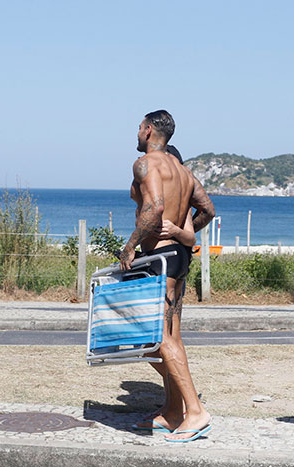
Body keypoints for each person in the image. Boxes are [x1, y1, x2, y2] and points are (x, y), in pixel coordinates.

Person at [119, 110, 212, 442]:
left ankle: (196, 411)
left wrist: (131, 246)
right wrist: (182, 233)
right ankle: (174, 412)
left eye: (138, 127)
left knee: (156, 337)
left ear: (147, 130)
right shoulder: (183, 172)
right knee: (170, 336)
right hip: (177, 257)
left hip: (159, 255)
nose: (137, 132)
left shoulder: (147, 164)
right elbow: (208, 210)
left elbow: (155, 206)